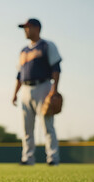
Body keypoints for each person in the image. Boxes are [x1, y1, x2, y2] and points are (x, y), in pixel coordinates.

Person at [12, 18, 62, 166]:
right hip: (26, 89)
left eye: (28, 27)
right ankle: (28, 158)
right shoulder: (23, 50)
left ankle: (52, 158)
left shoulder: (47, 45)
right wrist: (15, 93)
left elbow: (56, 69)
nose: (25, 30)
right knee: (27, 127)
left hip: (44, 87)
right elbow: (19, 75)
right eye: (25, 28)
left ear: (37, 28)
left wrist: (54, 91)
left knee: (47, 125)